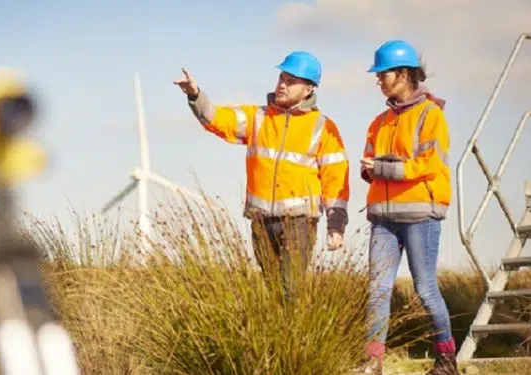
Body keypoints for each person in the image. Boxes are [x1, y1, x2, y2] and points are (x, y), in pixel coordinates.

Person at [173, 51, 350, 296]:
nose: (282, 84)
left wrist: (336, 224)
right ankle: (279, 333)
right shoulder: (257, 117)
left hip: (298, 222)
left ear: (309, 89)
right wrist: (195, 95)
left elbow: (336, 177)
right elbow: (217, 118)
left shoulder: (323, 127)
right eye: (281, 77)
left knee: (290, 290)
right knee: (274, 289)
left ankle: (292, 333)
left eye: (291, 81)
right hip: (261, 219)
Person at [358, 40, 457, 375]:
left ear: (402, 75)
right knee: (377, 291)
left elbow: (430, 164)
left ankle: (446, 360)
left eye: (382, 74)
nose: (378, 80)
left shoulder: (431, 115)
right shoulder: (379, 120)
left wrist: (383, 168)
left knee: (425, 288)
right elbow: (369, 161)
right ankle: (373, 363)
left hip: (420, 216)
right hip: (383, 219)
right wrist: (368, 169)